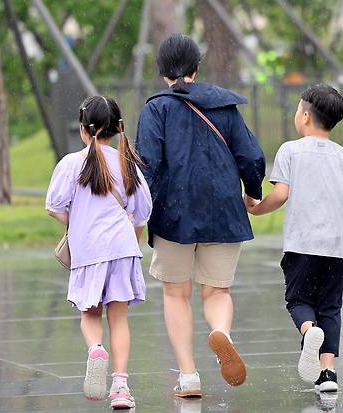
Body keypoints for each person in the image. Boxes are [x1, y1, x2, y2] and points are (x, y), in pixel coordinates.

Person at [135, 33, 266, 397]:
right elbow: (250, 155)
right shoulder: (225, 106)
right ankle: (221, 332)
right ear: (197, 67)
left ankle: (189, 377)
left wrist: (141, 211)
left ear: (162, 71)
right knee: (217, 290)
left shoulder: (155, 109)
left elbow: (149, 165)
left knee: (176, 294)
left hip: (174, 215)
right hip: (223, 210)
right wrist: (252, 191)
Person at [246, 84, 343, 393]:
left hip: (302, 243)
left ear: (305, 116)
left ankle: (308, 332)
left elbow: (280, 195)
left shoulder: (290, 150)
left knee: (299, 300)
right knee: (331, 307)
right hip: (338, 246)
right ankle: (328, 374)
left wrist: (256, 209)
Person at [46, 96, 152, 409]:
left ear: (83, 130)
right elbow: (142, 211)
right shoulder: (127, 163)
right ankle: (120, 387)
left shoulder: (71, 164)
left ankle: (95, 349)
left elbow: (54, 206)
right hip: (122, 249)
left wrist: (76, 220)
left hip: (88, 249)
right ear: (118, 128)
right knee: (118, 318)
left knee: (90, 313)